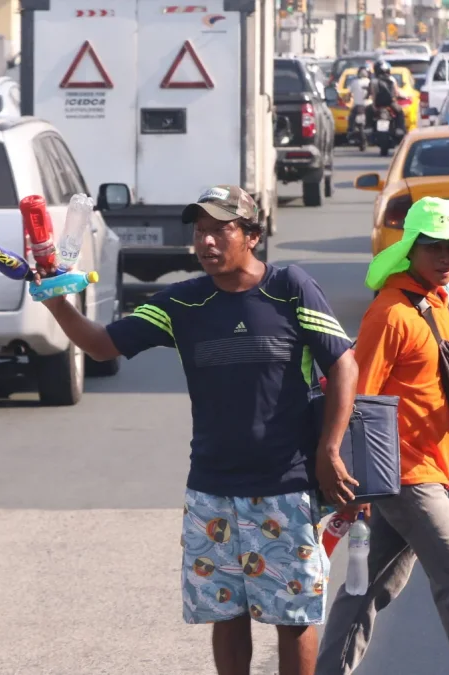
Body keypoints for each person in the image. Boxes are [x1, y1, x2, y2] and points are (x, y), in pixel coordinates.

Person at [36, 185, 360, 675]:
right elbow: (103, 346)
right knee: (226, 615)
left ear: (251, 235)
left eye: (220, 230)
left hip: (285, 486)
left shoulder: (289, 288)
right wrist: (57, 301)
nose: (206, 242)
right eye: (199, 231)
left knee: (291, 617)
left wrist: (329, 449)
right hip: (211, 490)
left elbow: (345, 365)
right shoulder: (182, 303)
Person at [316, 197, 449, 675]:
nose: (448, 257)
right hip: (406, 475)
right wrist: (354, 484)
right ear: (410, 248)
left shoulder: (446, 299)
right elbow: (355, 397)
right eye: (436, 247)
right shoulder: (390, 314)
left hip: (431, 466)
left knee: (369, 588)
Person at [369, 61, 405, 132]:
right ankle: (399, 129)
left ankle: (368, 128)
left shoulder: (373, 81)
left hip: (378, 104)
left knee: (368, 111)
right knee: (400, 112)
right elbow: (396, 92)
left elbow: (373, 94)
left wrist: (374, 105)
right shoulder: (392, 79)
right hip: (390, 103)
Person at [346, 66, 373, 137]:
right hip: (369, 106)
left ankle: (351, 130)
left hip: (358, 106)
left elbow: (349, 94)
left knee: (351, 118)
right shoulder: (371, 82)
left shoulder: (354, 82)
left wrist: (347, 99)